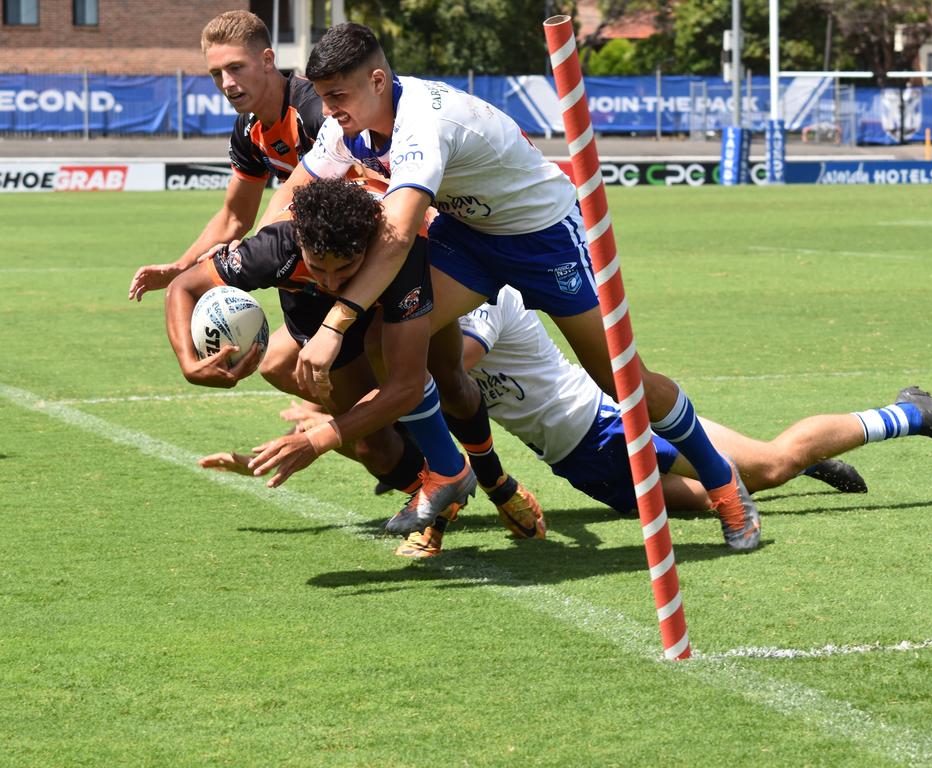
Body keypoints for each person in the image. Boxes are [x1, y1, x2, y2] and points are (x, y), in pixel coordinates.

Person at [247, 22, 762, 552]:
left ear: (378, 81)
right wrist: (256, 254)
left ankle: (723, 482)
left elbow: (399, 234)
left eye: (337, 96)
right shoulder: (346, 123)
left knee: (622, 383)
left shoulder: (423, 123)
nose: (326, 109)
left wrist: (336, 322)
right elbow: (295, 189)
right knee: (390, 342)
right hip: (469, 239)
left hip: (544, 237)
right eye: (323, 97)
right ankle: (447, 472)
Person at [251, 286, 932, 557]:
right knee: (704, 503)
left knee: (762, 468)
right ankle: (770, 463)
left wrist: (334, 419)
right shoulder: (439, 304)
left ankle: (909, 411)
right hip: (580, 456)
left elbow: (437, 387)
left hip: (604, 429)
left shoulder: (483, 302)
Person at [165, 177, 492, 533]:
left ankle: (499, 483)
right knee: (372, 446)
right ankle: (438, 502)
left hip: (400, 292)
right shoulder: (275, 249)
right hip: (312, 315)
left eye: (345, 268)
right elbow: (184, 287)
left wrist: (316, 440)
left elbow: (408, 387)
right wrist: (189, 363)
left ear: (367, 249)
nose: (332, 283)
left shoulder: (399, 249)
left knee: (449, 384)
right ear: (300, 242)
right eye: (318, 267)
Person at [128, 9, 331, 392]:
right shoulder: (249, 128)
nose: (226, 83)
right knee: (278, 367)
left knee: (392, 389)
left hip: (355, 260)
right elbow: (234, 217)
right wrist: (180, 268)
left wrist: (263, 239)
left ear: (268, 60)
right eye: (216, 73)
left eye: (236, 68)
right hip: (304, 267)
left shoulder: (314, 111)